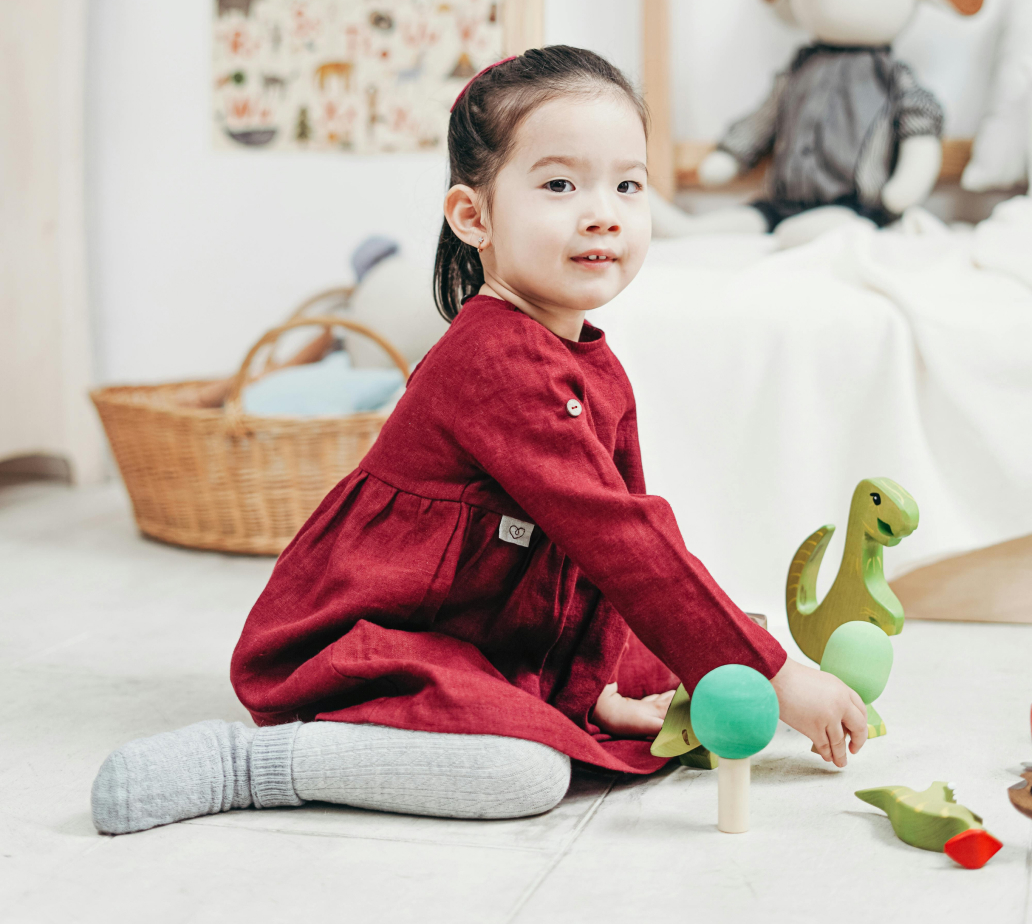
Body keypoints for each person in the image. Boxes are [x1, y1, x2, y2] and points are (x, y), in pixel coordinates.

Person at [91, 46, 868, 836]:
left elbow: (610, 546)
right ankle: (252, 765)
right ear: (474, 218)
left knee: (688, 653)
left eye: (627, 185)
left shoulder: (587, 357)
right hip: (374, 636)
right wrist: (776, 675)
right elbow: (621, 540)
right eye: (559, 185)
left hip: (490, 623)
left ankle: (599, 683)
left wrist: (598, 681)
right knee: (525, 772)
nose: (602, 212)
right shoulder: (494, 359)